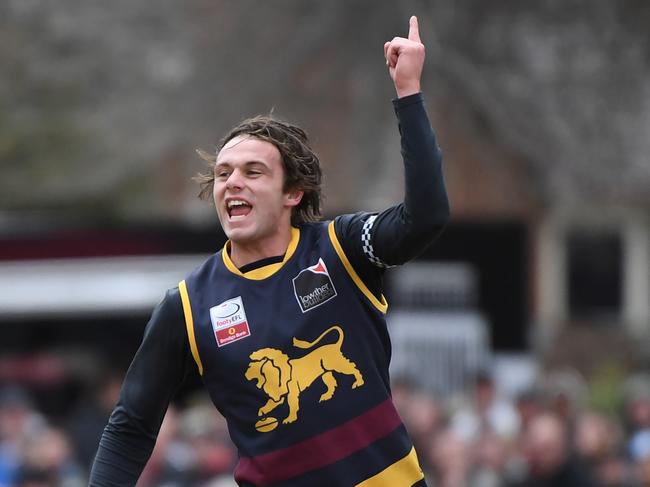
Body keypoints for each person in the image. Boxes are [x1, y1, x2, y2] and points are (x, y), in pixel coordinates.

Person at [89, 15, 450, 487]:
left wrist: (408, 94)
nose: (232, 182)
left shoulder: (341, 250)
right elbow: (131, 426)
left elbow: (426, 218)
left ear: (292, 193)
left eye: (253, 172)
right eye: (222, 174)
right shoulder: (189, 305)